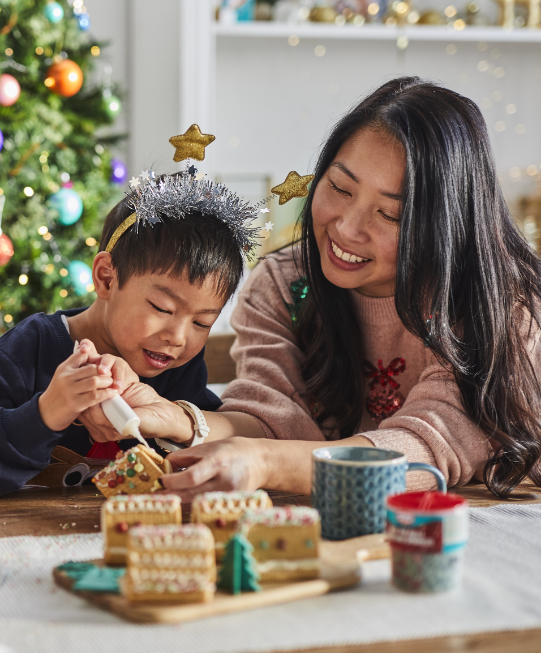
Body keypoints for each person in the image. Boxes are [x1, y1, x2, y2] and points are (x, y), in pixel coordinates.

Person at [159, 77, 541, 501]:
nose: (346, 228)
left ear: (444, 225)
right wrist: (179, 420)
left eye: (390, 214)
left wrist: (263, 461)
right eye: (340, 188)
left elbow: (429, 447)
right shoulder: (285, 283)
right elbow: (271, 415)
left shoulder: (497, 301)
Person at [0, 168, 262, 495]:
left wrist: (179, 428)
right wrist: (46, 413)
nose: (178, 337)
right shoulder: (30, 349)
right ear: (107, 277)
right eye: (162, 309)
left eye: (201, 323)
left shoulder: (178, 366)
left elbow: (212, 443)